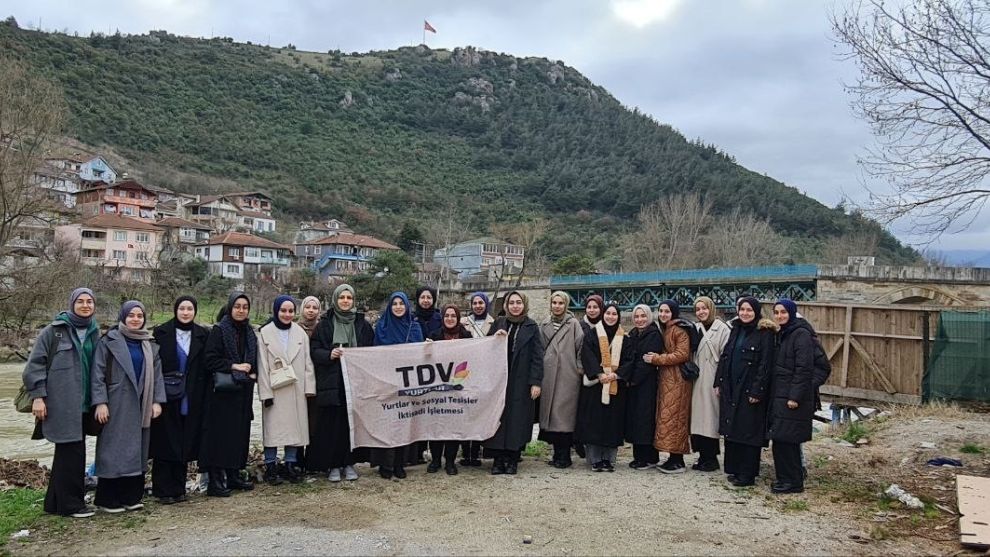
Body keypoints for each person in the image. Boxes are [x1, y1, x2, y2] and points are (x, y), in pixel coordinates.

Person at [22, 288, 101, 518]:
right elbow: (34, 366)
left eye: (89, 302)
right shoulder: (54, 332)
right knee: (72, 453)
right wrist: (38, 396)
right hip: (61, 404)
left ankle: (53, 503)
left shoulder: (95, 332)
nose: (85, 305)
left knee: (68, 452)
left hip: (86, 404)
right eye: (80, 302)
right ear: (71, 304)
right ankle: (72, 506)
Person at [91, 300, 165, 513]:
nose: (135, 319)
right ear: (123, 317)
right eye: (131, 315)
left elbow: (157, 374)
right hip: (116, 403)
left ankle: (131, 497)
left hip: (142, 403)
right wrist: (100, 402)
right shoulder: (108, 341)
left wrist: (157, 401)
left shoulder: (149, 344)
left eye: (139, 316)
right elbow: (97, 374)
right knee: (113, 449)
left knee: (137, 451)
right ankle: (107, 499)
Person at [308, 284, 374, 482]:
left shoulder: (362, 324)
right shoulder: (325, 324)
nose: (345, 301)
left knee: (350, 426)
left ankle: (349, 462)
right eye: (342, 297)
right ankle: (333, 465)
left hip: (355, 383)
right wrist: (330, 354)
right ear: (336, 300)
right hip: (331, 383)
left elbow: (371, 351)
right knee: (331, 425)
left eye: (349, 298)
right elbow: (314, 351)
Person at [150, 296, 210, 504]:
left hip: (192, 394)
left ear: (195, 311)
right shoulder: (161, 333)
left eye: (190, 309)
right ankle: (162, 489)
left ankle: (178, 488)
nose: (185, 312)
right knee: (165, 440)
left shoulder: (203, 334)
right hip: (167, 394)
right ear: (176, 310)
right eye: (182, 308)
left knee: (184, 439)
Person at [714, 297, 777, 487]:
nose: (745, 313)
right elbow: (725, 358)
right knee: (732, 429)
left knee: (749, 432)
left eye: (749, 310)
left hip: (749, 390)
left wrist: (758, 391)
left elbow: (766, 364)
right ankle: (734, 469)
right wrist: (719, 382)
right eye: (742, 309)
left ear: (756, 312)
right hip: (731, 387)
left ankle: (747, 474)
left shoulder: (764, 333)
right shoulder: (736, 329)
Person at [200, 292, 258, 497]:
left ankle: (234, 475)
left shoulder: (250, 332)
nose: (241, 310)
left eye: (245, 307)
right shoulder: (219, 330)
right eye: (237, 306)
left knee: (239, 435)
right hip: (222, 393)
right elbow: (210, 360)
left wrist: (253, 372)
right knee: (220, 437)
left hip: (243, 391)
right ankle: (216, 482)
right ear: (230, 308)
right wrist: (234, 366)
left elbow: (254, 359)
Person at [257, 295, 316, 485]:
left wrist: (309, 389)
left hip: (296, 387)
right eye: (283, 310)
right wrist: (265, 393)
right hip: (275, 388)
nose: (287, 314)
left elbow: (307, 363)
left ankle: (290, 464)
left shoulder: (300, 333)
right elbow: (262, 366)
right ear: (276, 311)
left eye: (291, 311)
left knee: (294, 427)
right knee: (273, 429)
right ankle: (271, 465)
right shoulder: (265, 333)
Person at [486, 291, 544, 475]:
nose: (515, 306)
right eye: (512, 302)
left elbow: (537, 357)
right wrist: (495, 338)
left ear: (524, 304)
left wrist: (536, 382)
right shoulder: (499, 323)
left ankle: (512, 459)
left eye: (519, 302)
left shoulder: (531, 326)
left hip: (521, 380)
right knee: (499, 419)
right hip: (500, 381)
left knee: (517, 420)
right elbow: (485, 348)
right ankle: (498, 459)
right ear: (506, 305)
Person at [371, 291, 425, 479]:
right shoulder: (382, 327)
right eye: (394, 304)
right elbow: (375, 354)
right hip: (386, 382)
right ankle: (385, 464)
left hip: (408, 382)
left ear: (406, 306)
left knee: (404, 423)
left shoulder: (415, 327)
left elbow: (419, 355)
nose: (398, 307)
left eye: (401, 303)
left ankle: (400, 463)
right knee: (387, 424)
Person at [769, 299, 815, 494]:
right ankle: (784, 478)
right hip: (780, 394)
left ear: (792, 313)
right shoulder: (784, 334)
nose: (780, 316)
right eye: (777, 312)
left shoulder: (801, 335)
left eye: (784, 312)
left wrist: (795, 396)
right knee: (780, 439)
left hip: (791, 397)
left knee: (789, 441)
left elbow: (804, 368)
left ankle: (793, 482)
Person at [576, 302, 627, 472]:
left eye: (614, 314)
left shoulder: (624, 337)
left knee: (613, 424)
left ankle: (609, 459)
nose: (611, 317)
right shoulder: (591, 334)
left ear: (618, 316)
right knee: (594, 424)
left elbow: (630, 360)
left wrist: (616, 374)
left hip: (615, 386)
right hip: (595, 387)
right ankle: (595, 459)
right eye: (608, 313)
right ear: (603, 314)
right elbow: (586, 354)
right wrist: (599, 374)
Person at [537, 291, 584, 468]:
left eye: (561, 303)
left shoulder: (573, 324)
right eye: (554, 303)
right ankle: (557, 454)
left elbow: (580, 346)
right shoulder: (544, 324)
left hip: (567, 374)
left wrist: (579, 367)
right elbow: (539, 348)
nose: (557, 306)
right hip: (548, 375)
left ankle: (565, 456)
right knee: (552, 417)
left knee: (564, 416)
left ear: (566, 305)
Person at [646, 300, 693, 473]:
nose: (663, 314)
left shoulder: (678, 329)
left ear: (674, 312)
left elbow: (682, 354)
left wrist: (657, 359)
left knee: (675, 419)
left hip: (677, 380)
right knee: (669, 419)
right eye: (661, 311)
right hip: (670, 380)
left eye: (667, 311)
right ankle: (673, 457)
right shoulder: (668, 329)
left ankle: (677, 460)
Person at [426, 304, 473, 475]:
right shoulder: (434, 335)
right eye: (447, 316)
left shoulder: (467, 336)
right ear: (443, 317)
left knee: (454, 424)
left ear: (458, 318)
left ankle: (450, 461)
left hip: (458, 388)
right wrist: (427, 348)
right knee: (436, 425)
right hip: (437, 389)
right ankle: (436, 460)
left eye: (454, 316)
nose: (450, 319)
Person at [690, 296, 731, 472]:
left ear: (711, 308)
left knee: (710, 418)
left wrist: (720, 381)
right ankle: (702, 455)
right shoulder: (695, 328)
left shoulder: (722, 329)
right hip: (697, 378)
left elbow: (725, 357)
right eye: (698, 309)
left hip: (713, 377)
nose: (701, 312)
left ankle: (711, 457)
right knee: (698, 418)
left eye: (704, 308)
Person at [620, 304, 663, 470]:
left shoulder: (653, 335)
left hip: (646, 384)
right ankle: (639, 456)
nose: (639, 320)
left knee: (645, 420)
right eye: (636, 317)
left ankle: (649, 457)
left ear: (649, 317)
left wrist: (632, 380)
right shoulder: (633, 334)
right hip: (634, 384)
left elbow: (646, 363)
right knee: (636, 419)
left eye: (643, 316)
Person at [459, 292, 493, 465]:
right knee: (465, 412)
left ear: (486, 304)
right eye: (475, 303)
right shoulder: (463, 323)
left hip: (484, 372)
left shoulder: (494, 323)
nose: (478, 306)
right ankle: (465, 452)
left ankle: (477, 451)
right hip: (465, 372)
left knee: (480, 412)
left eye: (481, 303)